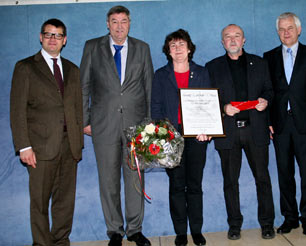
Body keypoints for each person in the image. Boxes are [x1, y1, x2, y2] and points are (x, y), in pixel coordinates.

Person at [80, 5, 154, 246]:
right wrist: (85, 120)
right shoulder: (92, 47)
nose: (119, 26)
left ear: (129, 23)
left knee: (135, 178)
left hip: (136, 126)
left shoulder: (142, 48)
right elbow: (84, 87)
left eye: (124, 21)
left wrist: (149, 126)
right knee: (108, 180)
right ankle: (114, 231)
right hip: (103, 126)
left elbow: (149, 87)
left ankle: (135, 230)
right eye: (114, 21)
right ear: (107, 24)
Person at [10, 18, 83, 245]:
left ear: (65, 40)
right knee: (40, 202)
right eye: (49, 34)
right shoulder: (26, 67)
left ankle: (61, 241)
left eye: (58, 35)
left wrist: (78, 143)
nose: (53, 39)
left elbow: (77, 110)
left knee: (64, 202)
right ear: (41, 37)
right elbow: (17, 110)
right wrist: (24, 146)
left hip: (68, 145)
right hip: (40, 148)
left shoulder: (72, 69)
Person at [206, 24, 275, 240]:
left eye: (237, 36)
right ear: (222, 42)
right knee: (230, 182)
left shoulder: (261, 64)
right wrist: (223, 108)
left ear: (244, 40)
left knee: (262, 178)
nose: (233, 40)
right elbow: (208, 100)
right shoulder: (212, 67)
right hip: (228, 132)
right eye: (228, 36)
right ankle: (234, 224)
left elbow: (270, 91)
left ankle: (267, 224)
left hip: (256, 130)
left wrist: (266, 101)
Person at [263, 12, 306, 236]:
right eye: (281, 29)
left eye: (290, 28)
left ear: (299, 30)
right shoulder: (269, 57)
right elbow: (266, 92)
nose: (286, 33)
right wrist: (268, 121)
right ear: (277, 32)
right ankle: (290, 218)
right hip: (279, 126)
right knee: (284, 174)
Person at [151, 29, 211, 246]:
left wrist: (207, 129)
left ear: (189, 48)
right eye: (173, 45)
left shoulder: (202, 72)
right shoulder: (160, 75)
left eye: (181, 44)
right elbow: (156, 108)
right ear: (168, 50)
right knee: (176, 186)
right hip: (170, 138)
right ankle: (180, 233)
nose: (177, 49)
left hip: (197, 138)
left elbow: (209, 105)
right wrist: (162, 135)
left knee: (195, 185)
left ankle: (196, 230)